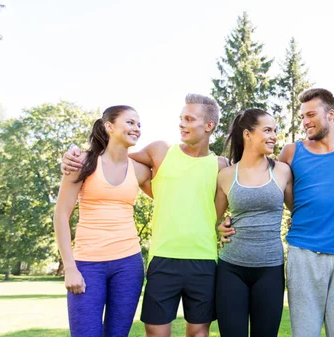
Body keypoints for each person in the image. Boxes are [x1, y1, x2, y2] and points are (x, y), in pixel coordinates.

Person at [61, 94, 228, 337]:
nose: (181, 123)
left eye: (189, 119)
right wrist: (74, 157)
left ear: (209, 125)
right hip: (158, 258)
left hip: (195, 260)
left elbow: (220, 206)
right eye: (181, 118)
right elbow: (114, 159)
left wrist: (227, 223)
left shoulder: (221, 165)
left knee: (197, 332)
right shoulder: (159, 152)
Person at [242, 88, 334, 337]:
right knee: (304, 332)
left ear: (331, 114)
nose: (305, 121)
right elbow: (266, 187)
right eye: (302, 116)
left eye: (311, 114)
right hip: (304, 253)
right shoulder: (291, 152)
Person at [54, 105, 152, 337]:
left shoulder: (139, 170)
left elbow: (171, 191)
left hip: (128, 265)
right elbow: (60, 215)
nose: (136, 128)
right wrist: (69, 267)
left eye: (139, 124)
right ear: (109, 126)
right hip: (87, 264)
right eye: (130, 122)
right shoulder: (82, 162)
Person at [214, 108, 293, 337]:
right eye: (267, 130)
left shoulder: (282, 171)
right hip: (231, 268)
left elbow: (299, 210)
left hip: (270, 268)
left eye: (275, 130)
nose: (274, 136)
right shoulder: (227, 175)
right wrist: (218, 228)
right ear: (247, 134)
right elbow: (211, 218)